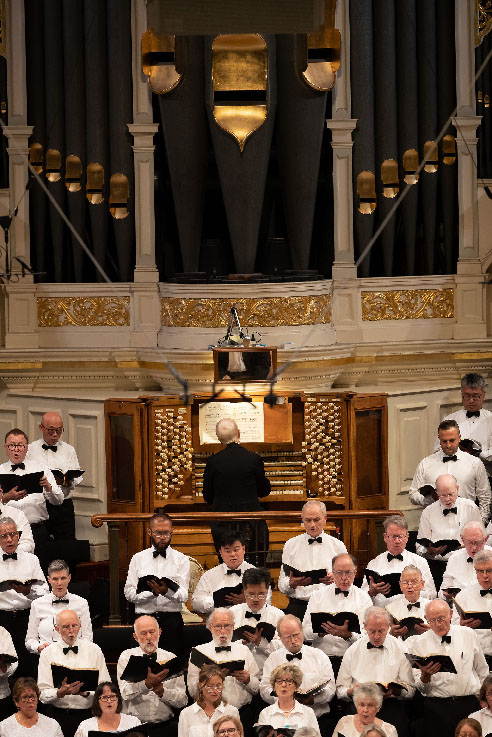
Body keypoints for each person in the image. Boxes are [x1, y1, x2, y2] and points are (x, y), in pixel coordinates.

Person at [408, 599, 487, 737]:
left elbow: (482, 671)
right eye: (432, 621)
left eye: (441, 619)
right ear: (426, 619)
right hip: (436, 707)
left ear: (450, 614)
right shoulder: (419, 643)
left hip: (468, 704)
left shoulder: (468, 634)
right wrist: (425, 676)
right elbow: (421, 688)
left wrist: (482, 700)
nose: (438, 624)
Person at [336, 607, 414, 737]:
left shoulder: (401, 649)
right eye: (372, 631)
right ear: (364, 626)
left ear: (389, 626)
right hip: (359, 710)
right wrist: (352, 691)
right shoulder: (353, 650)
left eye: (381, 631)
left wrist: (395, 691)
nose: (377, 636)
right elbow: (340, 690)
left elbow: (411, 690)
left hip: (390, 708)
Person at [202, 418, 271, 563]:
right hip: (251, 524)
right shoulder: (254, 459)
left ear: (219, 439)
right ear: (239, 433)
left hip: (222, 524)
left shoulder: (213, 461)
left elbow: (207, 496)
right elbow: (264, 491)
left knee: (228, 562)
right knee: (254, 561)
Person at [124, 512, 190, 654]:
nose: (162, 538)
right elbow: (129, 593)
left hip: (171, 621)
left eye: (166, 533)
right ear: (149, 532)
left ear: (172, 532)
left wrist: (167, 592)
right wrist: (151, 593)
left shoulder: (182, 559)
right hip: (144, 618)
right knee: (141, 667)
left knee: (172, 666)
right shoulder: (138, 558)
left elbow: (184, 596)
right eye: (158, 533)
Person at [38, 609, 110, 737]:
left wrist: (87, 693)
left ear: (80, 625)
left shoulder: (94, 650)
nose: (71, 630)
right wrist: (59, 693)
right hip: (57, 716)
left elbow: (106, 688)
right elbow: (42, 694)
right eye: (66, 627)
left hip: (88, 716)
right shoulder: (47, 653)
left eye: (74, 626)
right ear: (57, 629)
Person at [260, 615, 335, 734]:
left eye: (296, 635)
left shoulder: (319, 656)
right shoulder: (273, 659)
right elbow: (265, 689)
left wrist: (314, 699)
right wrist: (285, 699)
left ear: (302, 631)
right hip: (282, 722)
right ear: (280, 638)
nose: (293, 640)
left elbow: (330, 689)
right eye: (287, 637)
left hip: (318, 718)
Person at [302, 553, 372, 676]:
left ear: (355, 572)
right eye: (339, 572)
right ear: (333, 573)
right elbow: (303, 634)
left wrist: (348, 635)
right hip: (320, 661)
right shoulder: (317, 596)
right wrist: (319, 632)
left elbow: (368, 638)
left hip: (351, 662)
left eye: (348, 572)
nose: (344, 577)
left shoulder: (364, 598)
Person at [117, 614, 187, 735]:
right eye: (144, 633)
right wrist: (146, 684)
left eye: (152, 632)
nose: (149, 637)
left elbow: (182, 701)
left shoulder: (171, 658)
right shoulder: (126, 657)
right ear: (135, 637)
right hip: (134, 729)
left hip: (164, 728)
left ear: (159, 632)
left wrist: (162, 692)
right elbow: (124, 694)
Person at [187, 608, 260, 724]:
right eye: (218, 626)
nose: (223, 631)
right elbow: (192, 691)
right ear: (210, 627)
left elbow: (257, 688)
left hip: (242, 714)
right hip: (209, 716)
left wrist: (248, 680)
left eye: (227, 626)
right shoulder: (199, 652)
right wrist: (208, 679)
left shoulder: (244, 651)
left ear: (233, 626)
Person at [278, 500, 348, 619]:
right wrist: (291, 583)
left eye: (316, 520)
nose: (312, 525)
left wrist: (336, 579)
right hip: (299, 606)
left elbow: (347, 580)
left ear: (325, 518)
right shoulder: (290, 545)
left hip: (329, 605)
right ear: (302, 519)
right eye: (307, 520)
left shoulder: (338, 546)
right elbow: (281, 585)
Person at [409, 420, 490, 522]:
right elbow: (413, 494)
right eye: (444, 441)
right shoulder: (426, 464)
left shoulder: (475, 463)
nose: (448, 445)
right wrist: (429, 500)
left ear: (459, 437)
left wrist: (480, 523)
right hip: (435, 523)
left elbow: (485, 496)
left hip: (467, 522)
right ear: (439, 439)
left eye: (452, 440)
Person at [0, 516, 48, 676]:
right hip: (1, 619)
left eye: (13, 534)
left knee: (28, 668)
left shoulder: (31, 560)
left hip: (27, 618)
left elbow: (45, 593)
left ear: (19, 536)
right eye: (4, 536)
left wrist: (28, 591)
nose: (9, 540)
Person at [0, 429, 63, 549]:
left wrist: (48, 487)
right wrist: (6, 498)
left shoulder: (41, 469)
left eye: (20, 446)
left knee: (40, 565)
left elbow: (59, 500)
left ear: (27, 447)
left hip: (38, 530)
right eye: (12, 446)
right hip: (7, 533)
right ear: (5, 447)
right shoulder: (0, 471)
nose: (16, 449)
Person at [26, 412, 83, 540]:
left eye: (59, 430)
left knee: (66, 546)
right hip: (40, 505)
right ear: (41, 428)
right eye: (51, 430)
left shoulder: (69, 450)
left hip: (64, 506)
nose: (55, 435)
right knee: (42, 545)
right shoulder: (30, 450)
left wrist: (67, 481)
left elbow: (77, 479)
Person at [361, 515, 436, 607]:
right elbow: (362, 599)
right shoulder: (374, 564)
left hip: (411, 613)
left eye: (400, 536)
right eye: (393, 536)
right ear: (385, 537)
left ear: (407, 537)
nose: (397, 541)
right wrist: (372, 592)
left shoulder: (420, 562)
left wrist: (413, 591)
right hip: (383, 614)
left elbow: (432, 594)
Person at [192, 532, 270, 615]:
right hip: (219, 623)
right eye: (227, 551)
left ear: (243, 549)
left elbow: (268, 602)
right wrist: (217, 601)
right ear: (220, 552)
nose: (233, 554)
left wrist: (248, 601)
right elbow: (196, 603)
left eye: (236, 550)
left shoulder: (258, 573)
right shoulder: (209, 575)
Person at [26, 558, 92, 654]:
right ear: (49, 580)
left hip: (74, 656)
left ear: (69, 578)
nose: (59, 583)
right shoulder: (37, 604)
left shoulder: (82, 603)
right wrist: (39, 647)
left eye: (63, 578)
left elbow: (87, 638)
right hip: (47, 657)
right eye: (55, 579)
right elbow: (30, 640)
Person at [434, 374, 492, 478]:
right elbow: (437, 452)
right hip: (455, 477)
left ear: (483, 395)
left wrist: (478, 453)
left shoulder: (491, 419)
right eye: (467, 395)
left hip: (486, 476)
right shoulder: (449, 420)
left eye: (475, 396)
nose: (471, 400)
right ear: (462, 394)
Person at [229, 568, 283, 674]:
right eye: (251, 594)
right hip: (239, 674)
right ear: (244, 591)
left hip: (270, 675)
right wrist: (242, 643)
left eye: (261, 594)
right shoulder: (232, 613)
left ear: (268, 591)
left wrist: (261, 643)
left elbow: (284, 650)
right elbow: (223, 646)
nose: (256, 599)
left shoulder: (278, 615)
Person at [257, 664, 320, 735]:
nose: (283, 685)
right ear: (274, 687)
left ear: (296, 686)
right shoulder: (265, 713)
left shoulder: (308, 712)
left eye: (289, 681)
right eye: (279, 681)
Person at [454, 550, 492, 668]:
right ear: (475, 571)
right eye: (480, 571)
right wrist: (461, 625)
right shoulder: (463, 597)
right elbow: (451, 628)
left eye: (489, 571)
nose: (485, 575)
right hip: (473, 659)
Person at [178, 664, 239, 737]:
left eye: (218, 686)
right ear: (200, 686)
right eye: (210, 686)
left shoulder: (232, 712)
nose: (215, 690)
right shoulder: (186, 714)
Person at [439, 521, 491, 599]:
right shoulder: (454, 558)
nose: (474, 548)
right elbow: (442, 592)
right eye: (470, 543)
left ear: (485, 539)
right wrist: (445, 594)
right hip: (460, 606)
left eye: (477, 542)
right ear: (462, 540)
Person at [73, 682, 141, 737]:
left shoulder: (133, 723)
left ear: (118, 699)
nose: (109, 701)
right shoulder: (85, 726)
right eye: (104, 697)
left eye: (112, 696)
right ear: (97, 701)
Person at [332, 682, 398, 737]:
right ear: (356, 705)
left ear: (378, 708)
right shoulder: (344, 722)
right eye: (362, 705)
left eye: (370, 705)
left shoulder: (389, 730)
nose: (365, 710)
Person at [385, 565, 430, 640]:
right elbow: (383, 635)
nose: (409, 586)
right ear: (400, 586)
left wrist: (431, 632)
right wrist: (392, 633)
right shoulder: (390, 609)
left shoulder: (432, 607)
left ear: (422, 584)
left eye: (414, 582)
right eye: (405, 582)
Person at [0, 488, 34, 554]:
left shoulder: (17, 514)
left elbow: (28, 544)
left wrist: (9, 551)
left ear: (0, 492)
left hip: (17, 561)